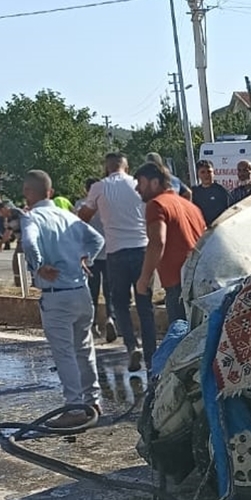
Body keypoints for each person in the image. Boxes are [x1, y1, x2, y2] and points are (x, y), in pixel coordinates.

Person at [19, 170, 105, 428]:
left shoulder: (31, 217)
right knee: (84, 348)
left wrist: (39, 265)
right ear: (50, 192)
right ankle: (93, 401)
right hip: (81, 292)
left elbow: (30, 243)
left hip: (56, 296)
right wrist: (86, 258)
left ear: (28, 193)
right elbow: (97, 239)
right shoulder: (68, 215)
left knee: (64, 353)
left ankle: (74, 407)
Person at [78, 152, 155, 373]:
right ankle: (151, 357)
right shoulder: (138, 185)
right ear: (126, 167)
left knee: (119, 303)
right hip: (142, 249)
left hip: (116, 252)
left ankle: (131, 346)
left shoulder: (99, 187)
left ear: (107, 167)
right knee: (145, 305)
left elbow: (83, 216)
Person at [134, 161, 207, 327]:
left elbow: (157, 242)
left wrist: (144, 279)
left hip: (177, 284)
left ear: (154, 182)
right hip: (198, 280)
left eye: (140, 183)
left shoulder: (157, 204)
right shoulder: (190, 206)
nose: (137, 189)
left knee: (179, 340)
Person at [76, 177, 116, 343]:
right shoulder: (108, 204)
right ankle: (110, 318)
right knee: (109, 291)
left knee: (91, 292)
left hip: (89, 256)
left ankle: (92, 325)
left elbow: (76, 232)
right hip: (109, 252)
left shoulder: (81, 205)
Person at [190, 159, 231, 226]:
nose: (206, 175)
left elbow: (228, 211)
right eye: (203, 172)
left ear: (213, 173)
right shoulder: (194, 192)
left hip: (218, 227)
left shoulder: (221, 191)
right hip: (201, 228)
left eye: (209, 172)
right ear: (198, 174)